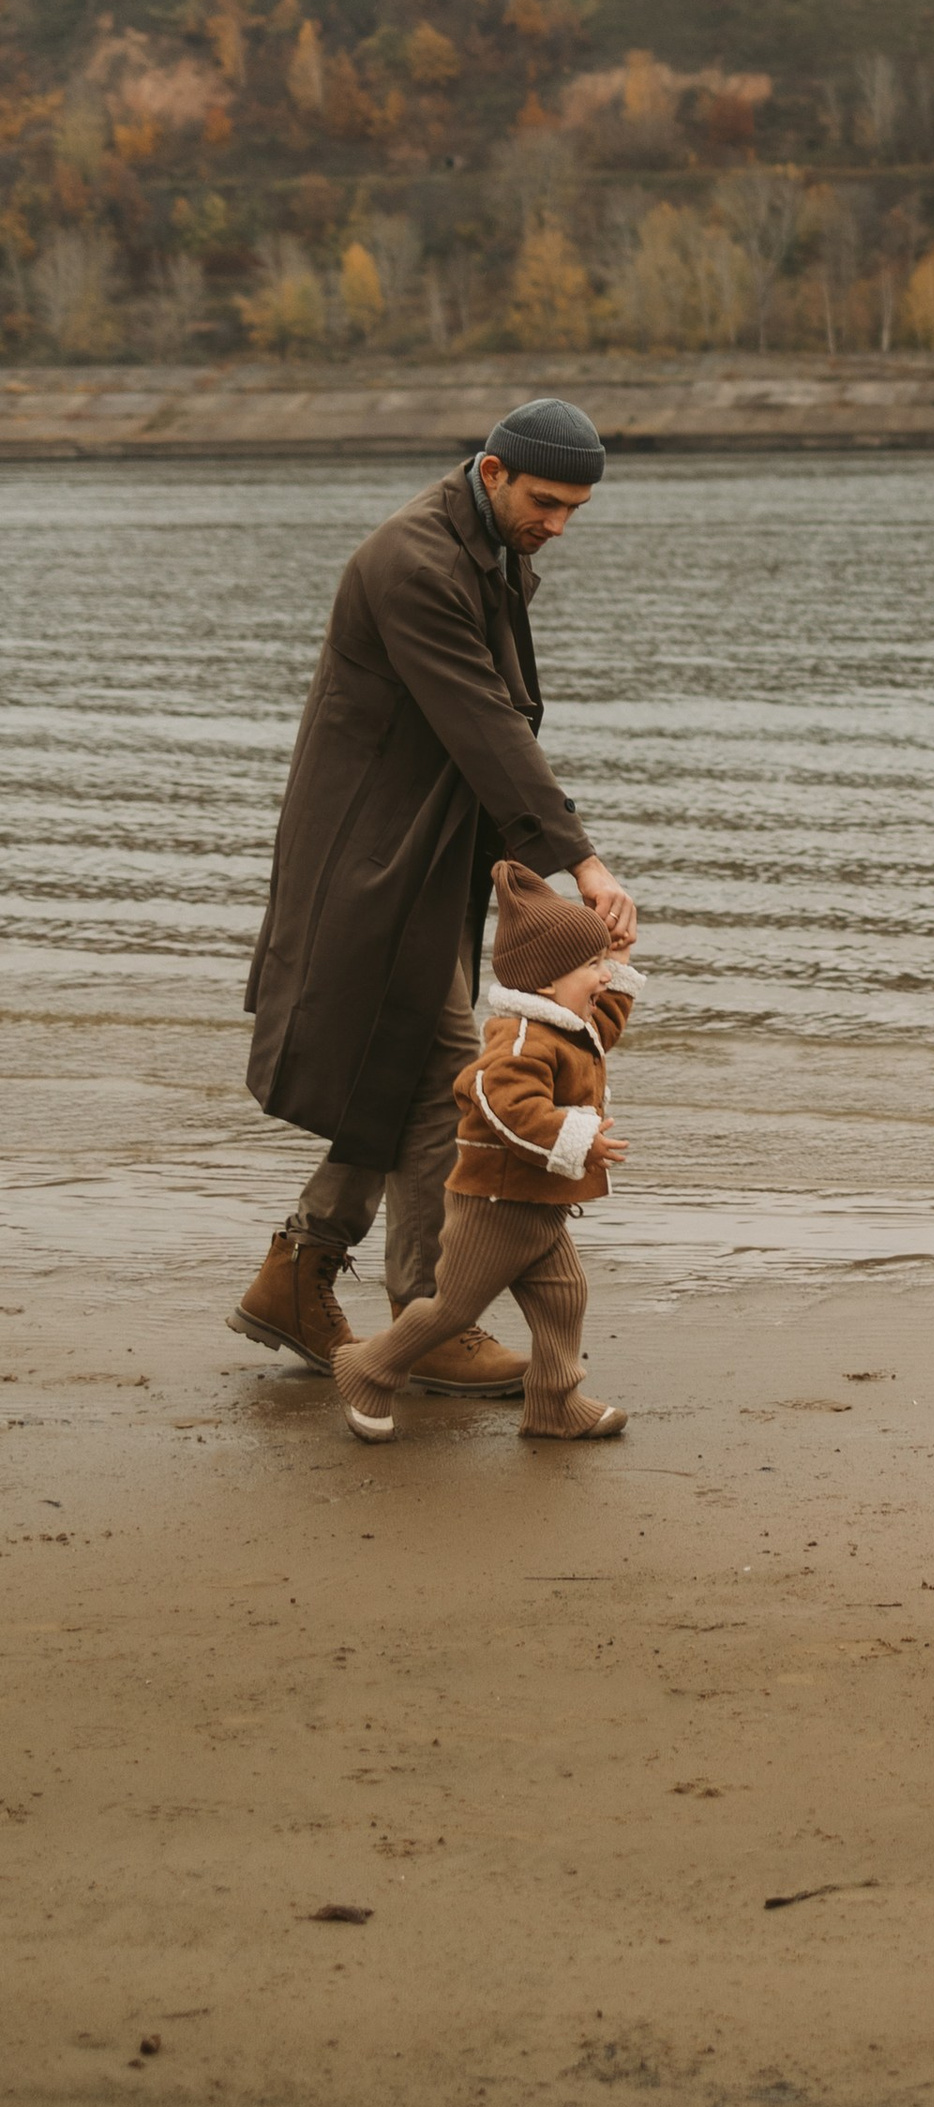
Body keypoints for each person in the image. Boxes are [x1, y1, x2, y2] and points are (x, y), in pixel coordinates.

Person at [229, 397, 638, 1396]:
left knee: (401, 1063)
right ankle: (426, 1311)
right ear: (490, 472)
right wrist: (577, 859)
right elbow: (484, 722)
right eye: (546, 502)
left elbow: (493, 724)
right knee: (451, 1072)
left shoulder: (487, 549)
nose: (559, 524)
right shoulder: (414, 562)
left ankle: (300, 1272)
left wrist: (526, 858)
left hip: (427, 847)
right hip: (369, 854)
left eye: (577, 510)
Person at [332, 858, 635, 1444]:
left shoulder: (569, 1024)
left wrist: (617, 961)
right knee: (450, 1310)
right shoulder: (519, 1040)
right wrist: (576, 1136)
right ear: (546, 983)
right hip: (495, 1204)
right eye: (591, 967)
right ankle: (367, 1368)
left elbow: (606, 1023)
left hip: (536, 1202)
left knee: (563, 1298)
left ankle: (553, 1404)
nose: (602, 980)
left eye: (603, 965)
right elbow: (503, 1106)